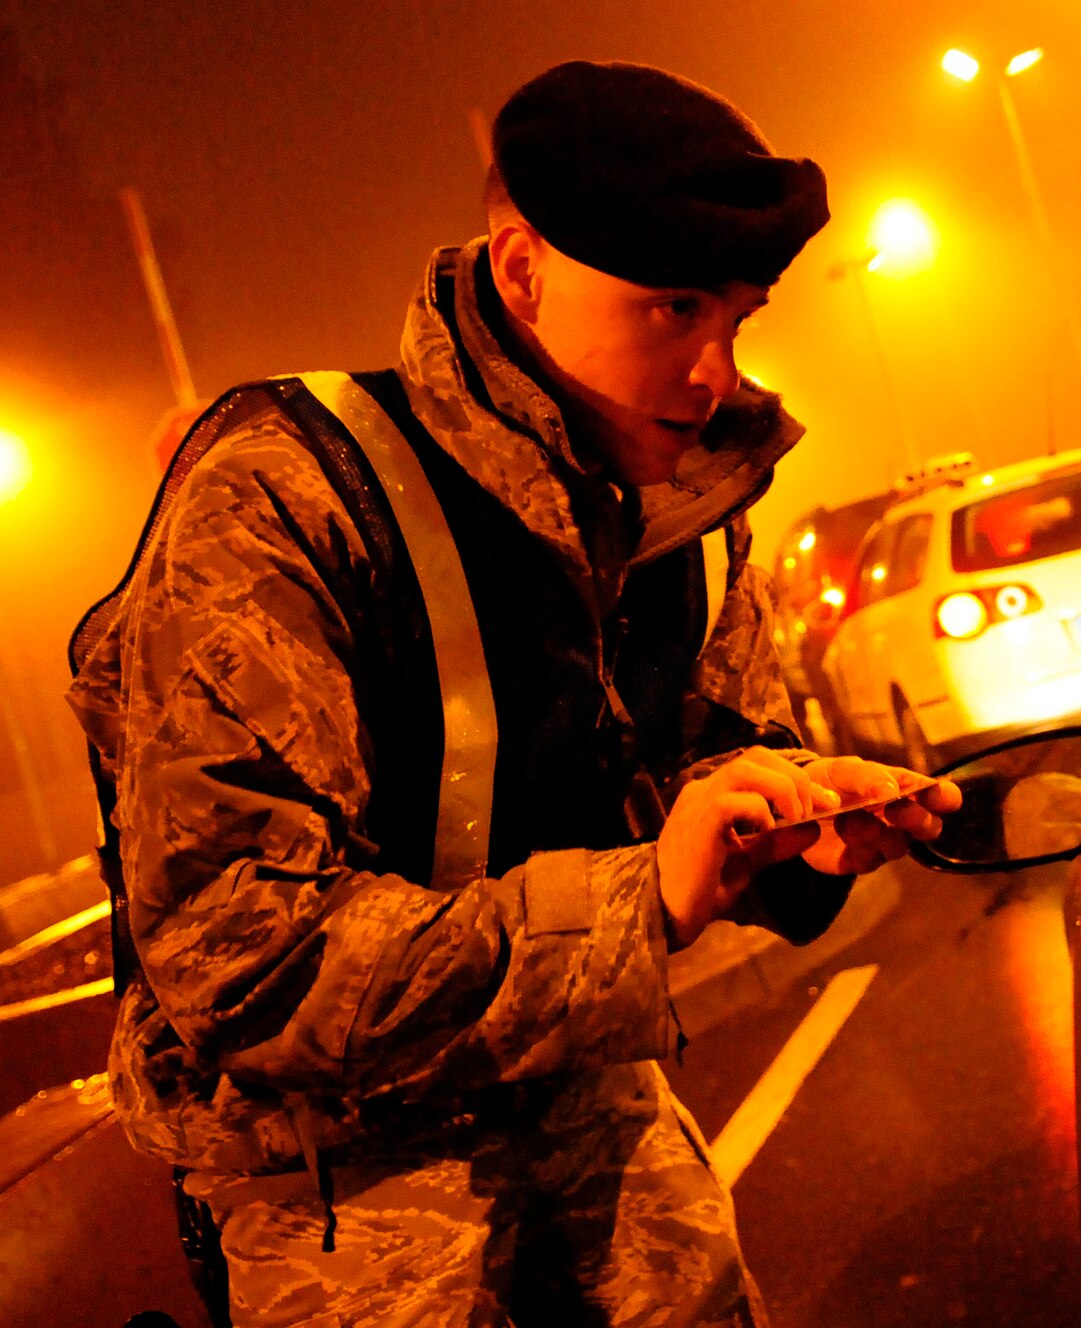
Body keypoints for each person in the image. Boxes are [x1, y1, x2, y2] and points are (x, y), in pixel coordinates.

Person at [66, 61, 958, 1328]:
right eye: (672, 309)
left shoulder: (687, 515)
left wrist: (782, 809)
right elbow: (240, 954)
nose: (713, 372)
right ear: (521, 266)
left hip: (600, 1116)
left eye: (738, 319)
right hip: (342, 1195)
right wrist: (640, 893)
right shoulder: (285, 497)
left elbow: (694, 762)